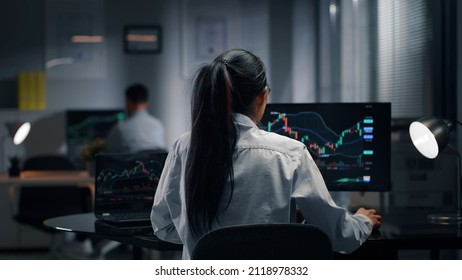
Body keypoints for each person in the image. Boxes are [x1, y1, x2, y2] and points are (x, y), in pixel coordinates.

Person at [150, 49, 381, 260]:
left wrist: (213, 237)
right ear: (262, 97)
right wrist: (362, 221)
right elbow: (339, 236)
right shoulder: (291, 154)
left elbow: (164, 226)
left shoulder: (183, 147)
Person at [106, 83, 166, 153]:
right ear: (146, 103)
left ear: (128, 102)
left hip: (130, 163)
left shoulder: (120, 128)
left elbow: (109, 152)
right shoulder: (158, 125)